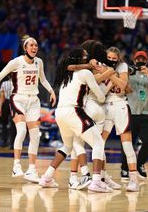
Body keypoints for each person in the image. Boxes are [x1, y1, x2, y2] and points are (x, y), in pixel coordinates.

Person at [38, 47, 112, 193]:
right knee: (98, 142)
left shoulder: (68, 74)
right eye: (86, 56)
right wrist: (106, 86)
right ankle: (96, 181)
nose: (88, 57)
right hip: (74, 111)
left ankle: (46, 177)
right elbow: (101, 97)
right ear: (81, 59)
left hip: (60, 113)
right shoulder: (85, 73)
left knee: (67, 146)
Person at [0, 37, 56, 183]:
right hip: (18, 99)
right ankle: (16, 165)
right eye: (31, 45)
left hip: (33, 101)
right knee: (21, 131)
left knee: (35, 136)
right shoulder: (16, 62)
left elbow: (43, 79)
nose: (34, 47)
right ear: (25, 48)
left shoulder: (39, 62)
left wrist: (51, 91)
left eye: (36, 45)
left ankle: (31, 169)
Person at [100, 46, 139, 192]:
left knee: (127, 145)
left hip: (120, 105)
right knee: (99, 144)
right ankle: (103, 177)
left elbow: (123, 85)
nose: (110, 60)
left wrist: (109, 74)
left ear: (118, 60)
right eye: (108, 58)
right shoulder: (100, 65)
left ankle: (134, 179)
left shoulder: (122, 66)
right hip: (105, 105)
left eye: (113, 59)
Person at [124, 50, 148, 179]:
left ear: (146, 61)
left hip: (145, 114)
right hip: (131, 113)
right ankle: (124, 168)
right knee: (128, 143)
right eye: (138, 59)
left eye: (143, 59)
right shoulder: (129, 73)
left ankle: (140, 164)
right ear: (134, 61)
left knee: (147, 142)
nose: (140, 61)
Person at [0, 76, 16, 148]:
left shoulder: (4, 83)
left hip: (6, 103)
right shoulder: (17, 83)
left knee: (4, 123)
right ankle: (12, 143)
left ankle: (3, 141)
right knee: (13, 124)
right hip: (14, 102)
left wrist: (0, 108)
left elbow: (2, 97)